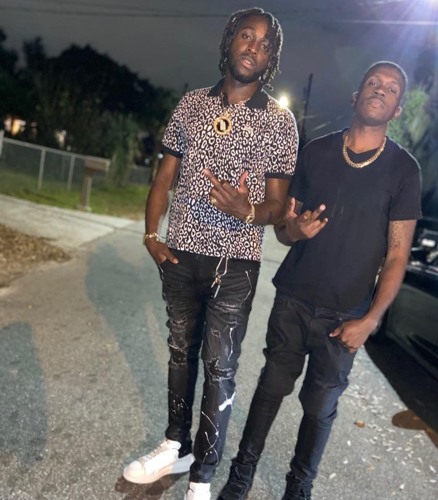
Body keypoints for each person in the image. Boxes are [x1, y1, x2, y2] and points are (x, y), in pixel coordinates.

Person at [218, 61, 422, 500]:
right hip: (294, 299)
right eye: (373, 83)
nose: (380, 90)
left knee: (320, 406)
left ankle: (299, 487)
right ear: (356, 96)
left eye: (391, 89)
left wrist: (370, 319)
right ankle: (240, 476)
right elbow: (283, 229)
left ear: (398, 109)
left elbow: (397, 255)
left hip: (345, 315)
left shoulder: (404, 171)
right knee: (270, 390)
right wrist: (295, 231)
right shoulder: (317, 152)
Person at [122, 7, 298, 500]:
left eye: (264, 44)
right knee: (181, 352)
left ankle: (202, 477)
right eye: (246, 36)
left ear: (271, 58)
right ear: (229, 41)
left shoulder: (279, 122)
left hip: (234, 263)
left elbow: (278, 206)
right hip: (180, 255)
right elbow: (164, 177)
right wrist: (151, 236)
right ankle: (174, 446)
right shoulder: (191, 104)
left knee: (219, 367)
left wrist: (247, 209)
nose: (253, 47)